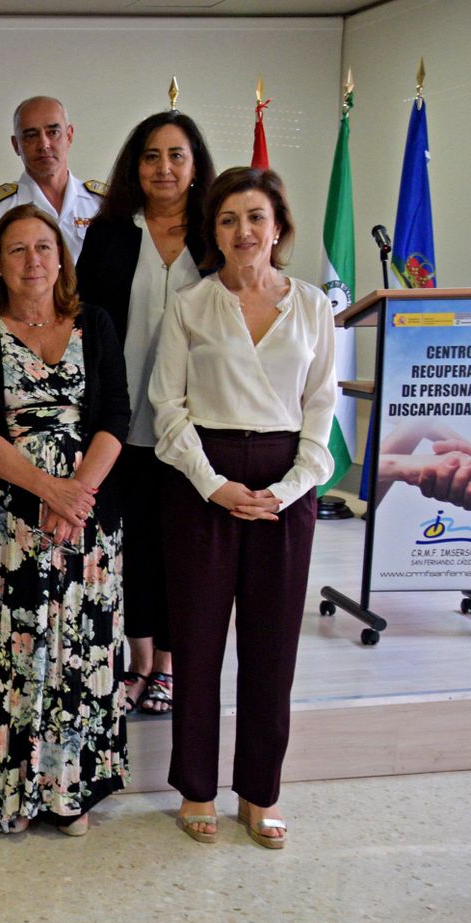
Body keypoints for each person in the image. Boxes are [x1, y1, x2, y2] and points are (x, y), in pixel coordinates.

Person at [149, 167, 336, 849]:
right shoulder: (191, 305)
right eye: (228, 220)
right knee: (197, 644)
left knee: (271, 647)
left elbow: (322, 410)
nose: (243, 232)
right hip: (204, 482)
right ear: (215, 232)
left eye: (255, 218)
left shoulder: (313, 306)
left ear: (278, 226)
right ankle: (197, 787)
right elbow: (167, 409)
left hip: (285, 488)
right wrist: (214, 484)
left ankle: (260, 791)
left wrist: (285, 491)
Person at [0, 205, 129, 836]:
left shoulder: (97, 325)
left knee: (79, 654)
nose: (32, 261)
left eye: (44, 248)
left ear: (61, 258)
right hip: (13, 521)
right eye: (17, 250)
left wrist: (78, 494)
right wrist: (48, 488)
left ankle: (67, 792)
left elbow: (115, 420)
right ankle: (10, 795)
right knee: (14, 659)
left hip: (87, 523)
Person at [76, 110, 217, 717]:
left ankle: (171, 662)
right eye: (152, 156)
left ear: (195, 166)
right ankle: (138, 662)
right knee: (128, 541)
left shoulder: (216, 233)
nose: (164, 167)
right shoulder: (110, 233)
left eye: (176, 155)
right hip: (122, 420)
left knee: (180, 546)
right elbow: (85, 323)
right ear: (135, 166)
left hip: (195, 423)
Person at [0, 96, 106, 316]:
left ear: (69, 135)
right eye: (31, 135)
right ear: (16, 145)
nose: (44, 144)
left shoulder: (102, 205)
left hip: (94, 334)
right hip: (17, 338)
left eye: (53, 132)